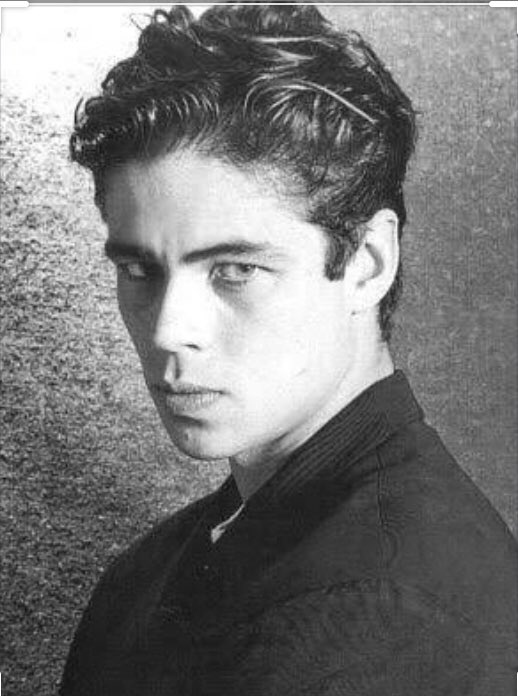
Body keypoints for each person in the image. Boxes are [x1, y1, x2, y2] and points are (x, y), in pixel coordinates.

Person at [60, 4, 517, 695]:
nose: (166, 330)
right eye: (138, 269)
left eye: (235, 270)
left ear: (367, 263)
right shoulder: (147, 575)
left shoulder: (381, 621)